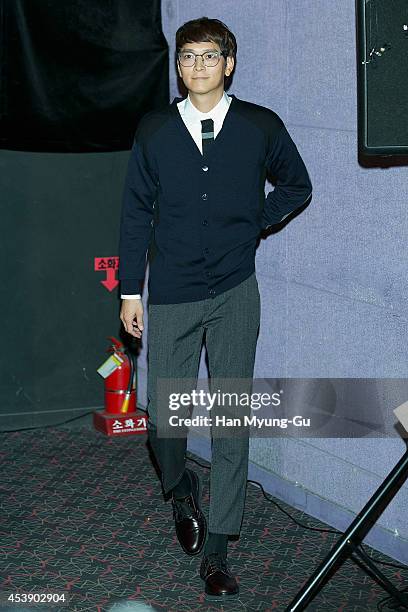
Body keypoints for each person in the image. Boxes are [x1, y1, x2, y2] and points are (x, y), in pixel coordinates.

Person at [118, 16, 312, 601]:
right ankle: (181, 490)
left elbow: (297, 185)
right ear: (177, 69)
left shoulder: (259, 126)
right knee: (161, 418)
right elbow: (134, 213)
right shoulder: (154, 130)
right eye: (186, 58)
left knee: (231, 420)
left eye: (208, 56)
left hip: (234, 291)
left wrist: (255, 221)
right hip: (172, 291)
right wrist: (131, 290)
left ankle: (220, 546)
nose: (196, 67)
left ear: (228, 64)